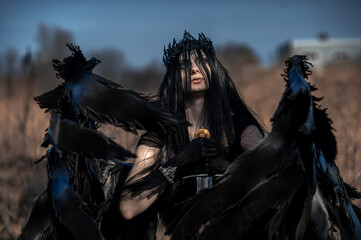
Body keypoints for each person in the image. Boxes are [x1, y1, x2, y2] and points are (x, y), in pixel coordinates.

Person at [119, 31, 264, 239]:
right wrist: (180, 161)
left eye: (203, 61)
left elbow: (274, 193)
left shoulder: (242, 131)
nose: (195, 69)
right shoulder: (159, 139)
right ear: (174, 77)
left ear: (213, 69)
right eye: (185, 65)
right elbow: (129, 207)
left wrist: (228, 169)